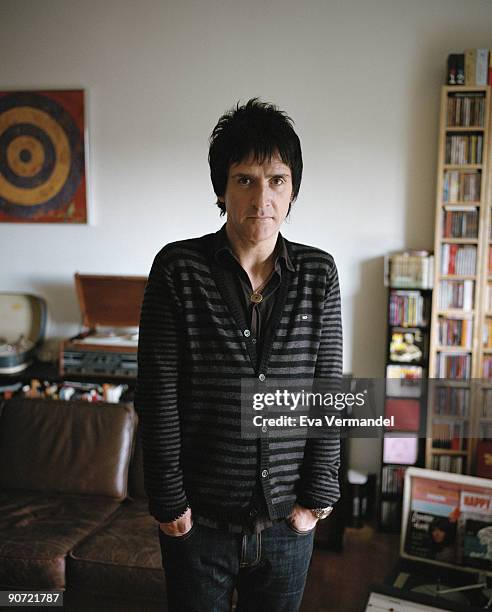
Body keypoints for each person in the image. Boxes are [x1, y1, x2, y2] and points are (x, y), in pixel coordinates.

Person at [135, 98, 343, 612]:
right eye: (245, 179)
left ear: (293, 189)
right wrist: (169, 504)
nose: (262, 198)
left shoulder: (319, 274)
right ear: (221, 189)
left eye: (277, 180)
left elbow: (328, 389)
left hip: (286, 527)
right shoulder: (177, 268)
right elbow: (158, 392)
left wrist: (314, 499)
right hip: (197, 524)